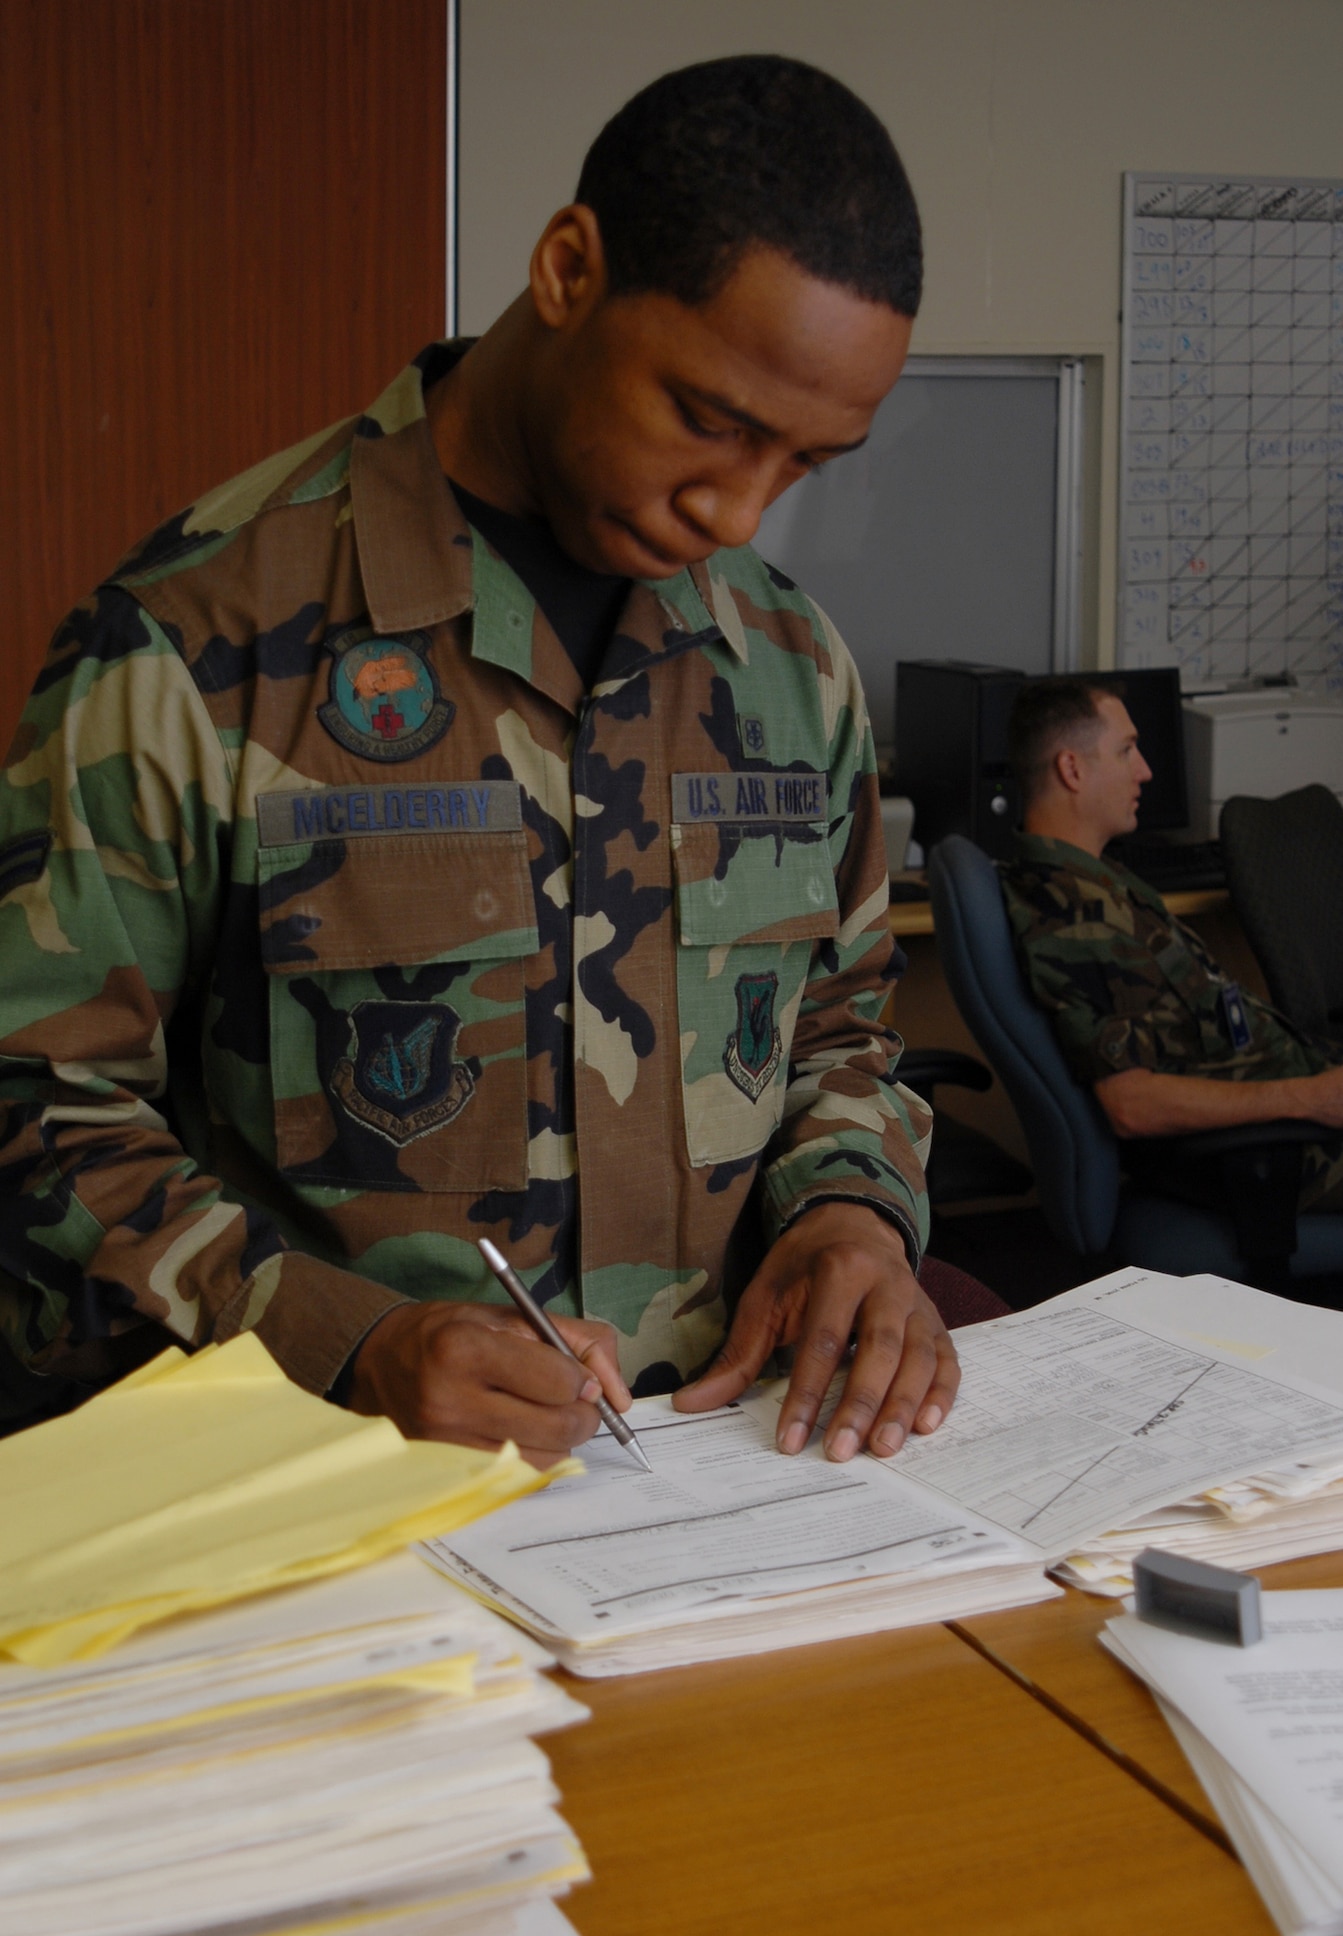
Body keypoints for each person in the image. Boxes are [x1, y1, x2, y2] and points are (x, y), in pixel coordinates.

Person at [0, 56, 961, 1464]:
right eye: (707, 419)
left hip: (735, 1478)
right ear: (570, 269)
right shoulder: (199, 638)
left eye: (803, 463)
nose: (735, 506)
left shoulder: (782, 659)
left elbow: (840, 1021)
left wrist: (849, 1212)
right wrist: (353, 1340)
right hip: (333, 1490)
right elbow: (37, 1100)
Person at [1002, 676, 1343, 1204]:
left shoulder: (1096, 883)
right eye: (1126, 751)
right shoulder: (1077, 919)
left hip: (1293, 1104)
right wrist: (1311, 1098)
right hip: (1273, 1153)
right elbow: (1131, 1104)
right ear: (1072, 769)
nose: (1145, 771)